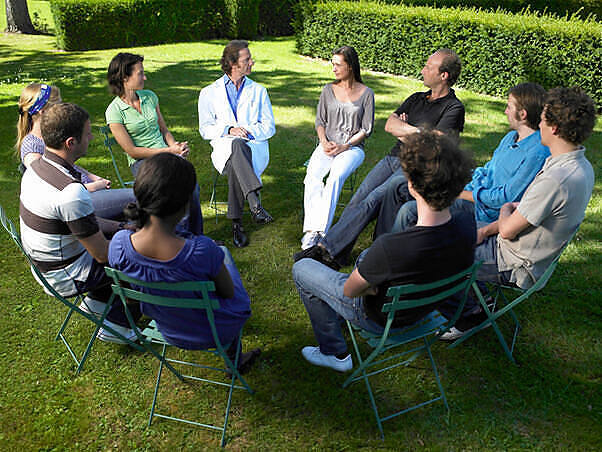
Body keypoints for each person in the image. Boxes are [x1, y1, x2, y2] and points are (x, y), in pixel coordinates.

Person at [292, 131, 475, 372]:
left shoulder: (392, 247)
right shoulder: (467, 225)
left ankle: (334, 352)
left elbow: (350, 290)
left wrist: (368, 282)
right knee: (367, 259)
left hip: (379, 318)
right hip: (425, 311)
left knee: (302, 268)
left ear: (411, 185)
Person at [442, 87, 597, 340]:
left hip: (514, 263)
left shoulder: (557, 178)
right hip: (519, 249)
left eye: (544, 119)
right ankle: (476, 299)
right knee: (449, 227)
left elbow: (507, 228)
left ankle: (470, 315)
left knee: (437, 249)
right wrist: (492, 225)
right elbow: (521, 214)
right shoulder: (579, 165)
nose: (539, 125)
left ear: (555, 128)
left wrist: (505, 210)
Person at [294, 49, 465, 268]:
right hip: (392, 158)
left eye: (429, 67)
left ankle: (325, 250)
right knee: (358, 199)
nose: (423, 70)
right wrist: (420, 132)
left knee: (373, 199)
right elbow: (389, 125)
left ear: (444, 75)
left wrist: (407, 130)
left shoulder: (453, 107)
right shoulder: (416, 98)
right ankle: (338, 254)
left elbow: (436, 143)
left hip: (416, 166)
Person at [108, 153, 260, 371]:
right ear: (187, 203)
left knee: (218, 256)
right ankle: (234, 360)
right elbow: (228, 294)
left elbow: (130, 300)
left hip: (167, 329)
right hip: (216, 330)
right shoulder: (202, 251)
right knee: (223, 253)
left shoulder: (119, 246)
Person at [20, 103, 136, 343]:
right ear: (71, 143)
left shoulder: (35, 168)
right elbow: (103, 255)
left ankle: (98, 301)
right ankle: (119, 325)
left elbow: (81, 223)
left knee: (124, 232)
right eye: (88, 133)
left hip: (44, 266)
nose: (92, 136)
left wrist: (122, 228)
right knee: (135, 253)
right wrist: (135, 239)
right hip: (65, 274)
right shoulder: (70, 192)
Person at [383, 82, 551, 236]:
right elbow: (487, 169)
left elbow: (505, 198)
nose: (505, 111)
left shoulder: (536, 153)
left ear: (522, 114)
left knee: (409, 211)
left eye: (509, 107)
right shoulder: (510, 137)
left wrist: (462, 193)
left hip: (482, 211)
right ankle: (382, 243)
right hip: (469, 190)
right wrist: (453, 179)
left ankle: (392, 258)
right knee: (398, 185)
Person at [105, 52, 203, 236]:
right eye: (140, 73)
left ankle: (195, 235)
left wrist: (176, 147)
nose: (145, 76)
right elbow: (131, 151)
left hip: (166, 153)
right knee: (173, 186)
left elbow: (164, 130)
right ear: (125, 78)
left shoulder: (149, 97)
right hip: (143, 162)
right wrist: (167, 151)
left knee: (191, 183)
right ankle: (179, 237)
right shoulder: (114, 111)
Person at [17, 83, 135, 231]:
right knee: (137, 197)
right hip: (78, 201)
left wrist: (91, 176)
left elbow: (65, 165)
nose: (63, 107)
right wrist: (95, 186)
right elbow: (53, 187)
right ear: (42, 111)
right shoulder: (31, 148)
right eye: (59, 103)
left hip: (83, 192)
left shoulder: (49, 135)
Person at [198, 40, 276, 248]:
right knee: (235, 148)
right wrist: (228, 130)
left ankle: (237, 224)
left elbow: (270, 127)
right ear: (233, 64)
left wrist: (248, 132)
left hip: (253, 148)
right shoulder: (208, 93)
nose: (252, 62)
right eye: (247, 59)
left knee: (239, 150)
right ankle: (254, 204)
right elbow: (205, 129)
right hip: (224, 148)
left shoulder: (259, 91)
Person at [301, 45, 374, 249]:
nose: (333, 68)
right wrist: (324, 142)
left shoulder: (367, 93)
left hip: (352, 149)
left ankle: (319, 232)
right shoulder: (327, 90)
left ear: (350, 67)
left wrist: (345, 146)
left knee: (335, 177)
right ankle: (310, 230)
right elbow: (319, 121)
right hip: (327, 144)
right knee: (312, 176)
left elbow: (366, 129)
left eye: (337, 65)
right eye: (332, 64)